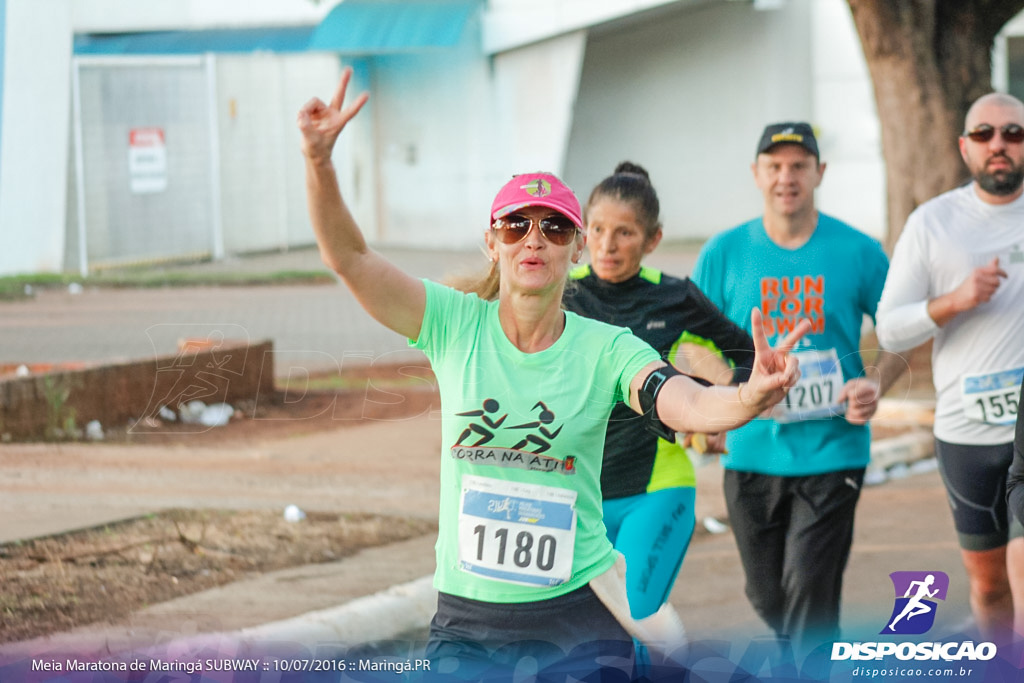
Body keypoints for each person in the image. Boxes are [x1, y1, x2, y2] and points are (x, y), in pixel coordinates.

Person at [297, 70, 809, 676]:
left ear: (576, 249)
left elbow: (685, 405)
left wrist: (745, 397)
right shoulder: (452, 324)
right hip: (466, 619)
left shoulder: (606, 347)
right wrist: (319, 163)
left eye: (555, 227)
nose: (533, 239)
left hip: (577, 615)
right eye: (517, 225)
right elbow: (350, 258)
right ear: (494, 243)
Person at [693, 121, 907, 652]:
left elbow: (905, 332)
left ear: (819, 172)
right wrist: (733, 393)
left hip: (833, 453)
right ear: (756, 174)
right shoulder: (725, 252)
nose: (786, 177)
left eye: (798, 166)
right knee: (767, 596)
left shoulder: (858, 250)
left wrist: (875, 384)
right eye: (775, 166)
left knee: (811, 592)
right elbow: (688, 344)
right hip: (751, 452)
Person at [562, 161, 756, 624]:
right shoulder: (560, 295)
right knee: (574, 629)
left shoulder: (675, 296)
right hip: (571, 492)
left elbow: (746, 356)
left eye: (625, 233)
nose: (607, 245)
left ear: (653, 240)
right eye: (597, 229)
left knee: (632, 617)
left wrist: (712, 409)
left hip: (656, 488)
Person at [877, 92, 1024, 641]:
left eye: (1013, 133)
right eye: (984, 134)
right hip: (966, 430)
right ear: (965, 148)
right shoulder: (933, 223)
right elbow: (890, 327)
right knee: (988, 586)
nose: (999, 144)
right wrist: (954, 301)